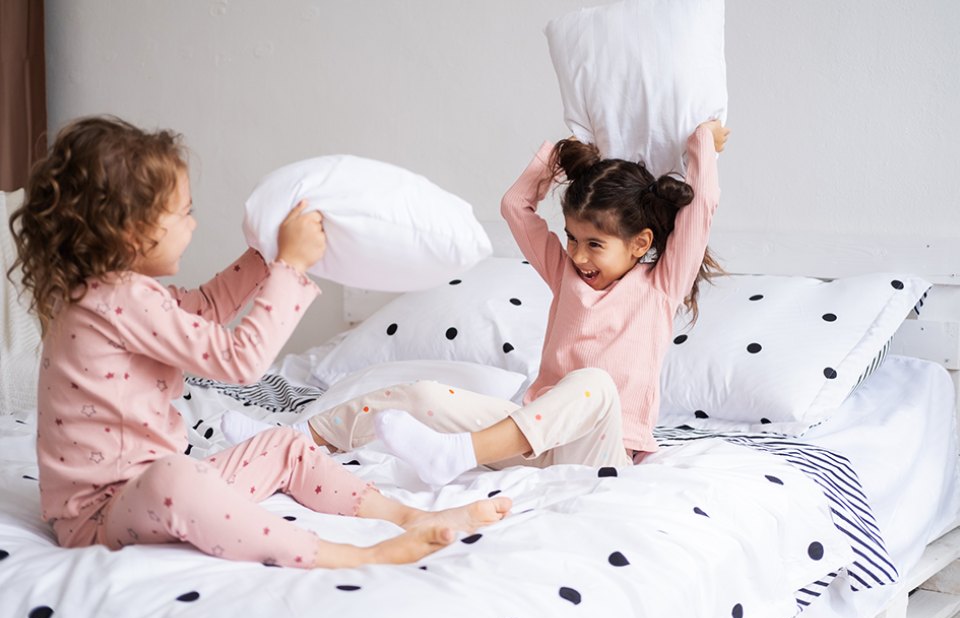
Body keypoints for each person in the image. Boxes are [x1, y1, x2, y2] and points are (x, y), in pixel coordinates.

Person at [8, 115, 511, 569]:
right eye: (183, 213)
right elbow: (239, 361)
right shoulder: (115, 300)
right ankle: (352, 555)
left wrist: (263, 254)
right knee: (177, 480)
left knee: (285, 445)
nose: (194, 223)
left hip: (139, 494)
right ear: (132, 232)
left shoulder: (110, 294)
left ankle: (405, 516)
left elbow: (201, 309)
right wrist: (290, 268)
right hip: (101, 517)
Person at [225, 120, 728, 486]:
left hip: (598, 451)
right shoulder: (564, 273)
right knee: (420, 394)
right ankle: (289, 437)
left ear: (640, 244)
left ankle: (458, 454)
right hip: (525, 444)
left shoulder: (660, 286)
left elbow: (701, 208)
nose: (577, 255)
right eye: (572, 238)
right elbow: (515, 206)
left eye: (594, 244)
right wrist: (556, 155)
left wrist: (702, 144)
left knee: (593, 385)